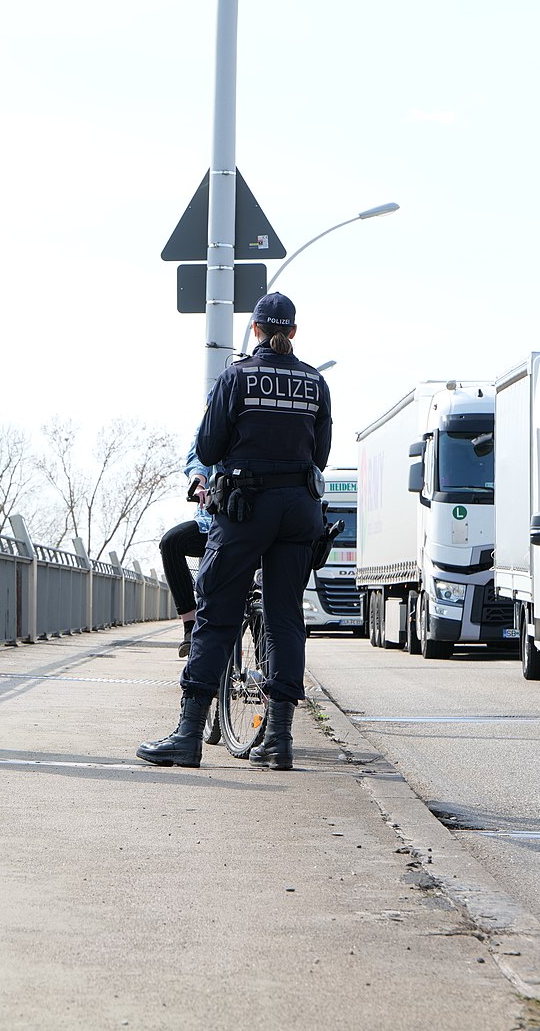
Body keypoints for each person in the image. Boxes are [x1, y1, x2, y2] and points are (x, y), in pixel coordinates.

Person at [136, 292, 331, 771]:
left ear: (256, 330)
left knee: (218, 616)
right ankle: (279, 739)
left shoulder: (237, 376)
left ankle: (188, 735)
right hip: (300, 510)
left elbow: (208, 444)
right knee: (286, 619)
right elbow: (320, 454)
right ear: (295, 332)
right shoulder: (315, 382)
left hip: (245, 510)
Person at [158, 436, 213, 656]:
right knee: (171, 542)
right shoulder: (212, 420)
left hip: (252, 522)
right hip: (211, 521)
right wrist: (198, 482)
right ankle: (190, 625)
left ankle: (266, 661)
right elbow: (199, 456)